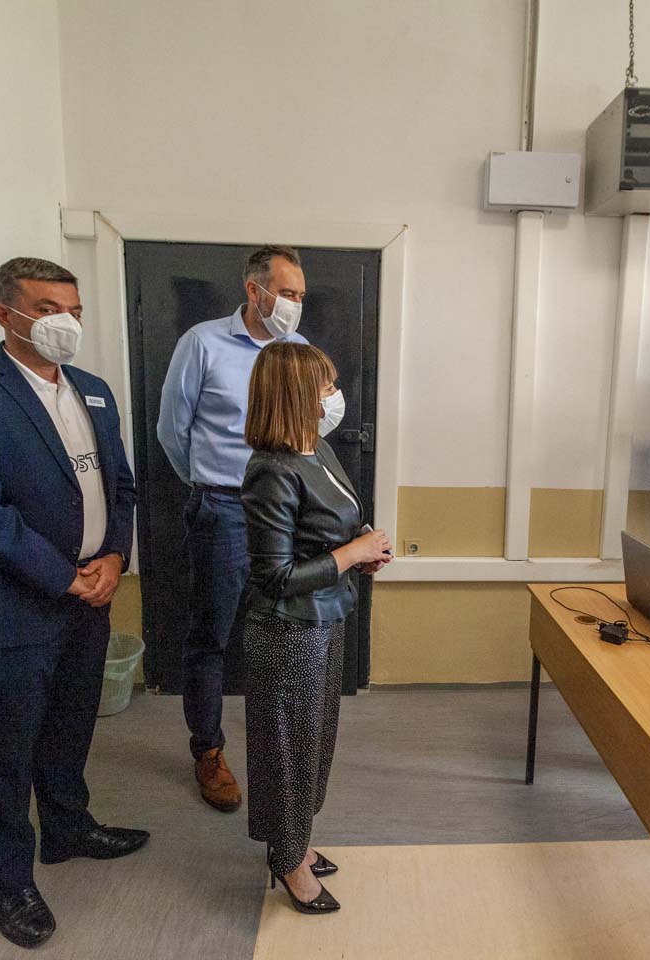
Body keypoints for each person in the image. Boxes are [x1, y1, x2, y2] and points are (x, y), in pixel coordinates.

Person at [0, 257, 146, 949]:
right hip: (12, 604)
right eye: (47, 309)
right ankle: (11, 880)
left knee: (72, 724)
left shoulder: (93, 391)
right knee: (9, 747)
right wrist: (64, 576)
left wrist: (114, 558)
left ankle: (68, 828)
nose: (65, 323)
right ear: (5, 314)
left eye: (74, 311)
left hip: (91, 595)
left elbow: (121, 486)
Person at [157, 244, 310, 812]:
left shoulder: (298, 351)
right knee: (211, 636)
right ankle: (208, 751)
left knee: (284, 632)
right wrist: (210, 484)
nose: (294, 304)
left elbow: (310, 430)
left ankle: (281, 743)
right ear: (255, 290)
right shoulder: (202, 343)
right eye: (287, 293)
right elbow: (172, 431)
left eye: (300, 295)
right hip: (221, 509)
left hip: (285, 512)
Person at [239, 342, 391, 914]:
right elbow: (275, 576)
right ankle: (288, 861)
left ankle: (295, 840)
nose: (335, 396)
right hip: (287, 633)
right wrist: (352, 554)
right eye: (326, 387)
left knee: (313, 744)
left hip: (326, 619)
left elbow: (332, 530)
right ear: (297, 395)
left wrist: (363, 549)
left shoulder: (317, 448)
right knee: (288, 751)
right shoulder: (270, 471)